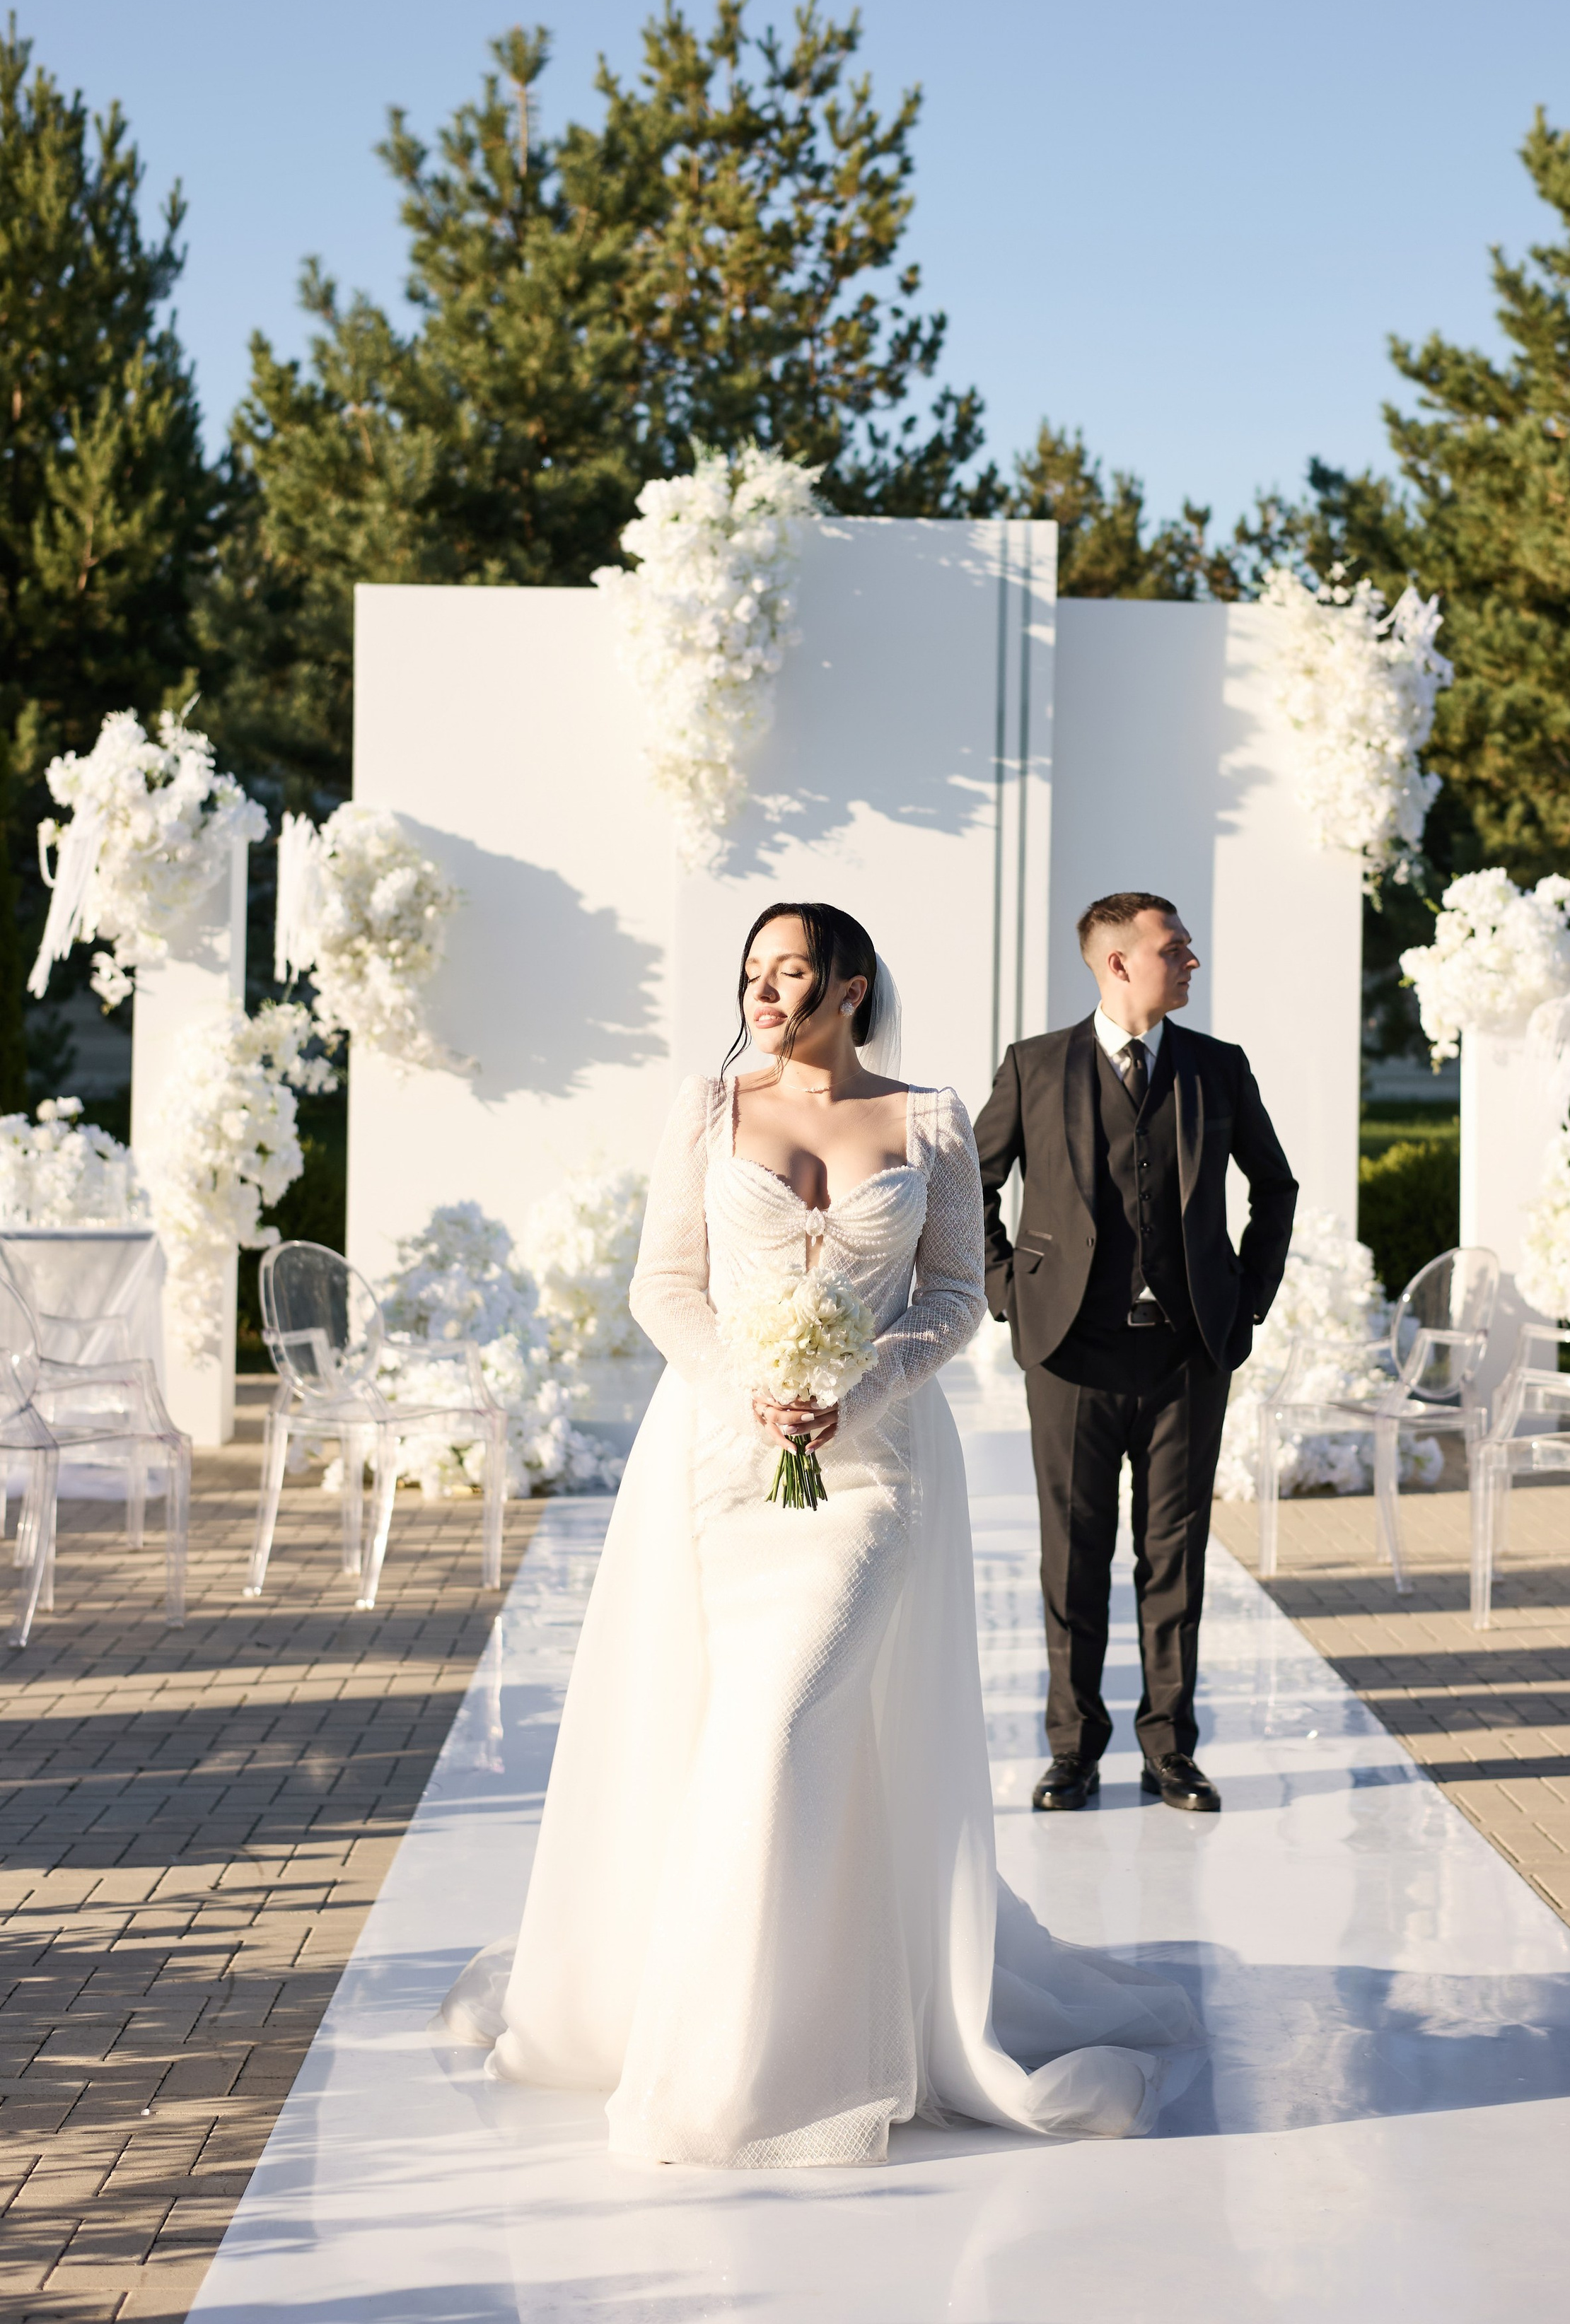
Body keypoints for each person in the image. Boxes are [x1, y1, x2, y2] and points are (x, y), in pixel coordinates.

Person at [442, 901, 1196, 2167]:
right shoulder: (706, 1108)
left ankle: (777, 2051)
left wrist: (863, 1385)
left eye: (790, 970)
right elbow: (662, 1282)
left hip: (874, 1470)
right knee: (746, 1729)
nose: (763, 991)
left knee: (787, 1713)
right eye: (751, 970)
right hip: (725, 1464)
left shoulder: (931, 1118)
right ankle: (742, 2018)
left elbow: (958, 1292)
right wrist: (748, 1382)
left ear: (850, 987)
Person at [974, 893, 1297, 1815]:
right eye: (1174, 947)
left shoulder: (1217, 1069)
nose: (1191, 960)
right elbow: (969, 1187)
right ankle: (1072, 1752)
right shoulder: (1035, 1067)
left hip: (1186, 1356)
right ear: (1118, 962)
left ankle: (1171, 1751)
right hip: (1070, 1357)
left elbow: (1275, 1187)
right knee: (1071, 1560)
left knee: (1175, 1557)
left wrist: (1245, 1303)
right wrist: (1009, 1292)